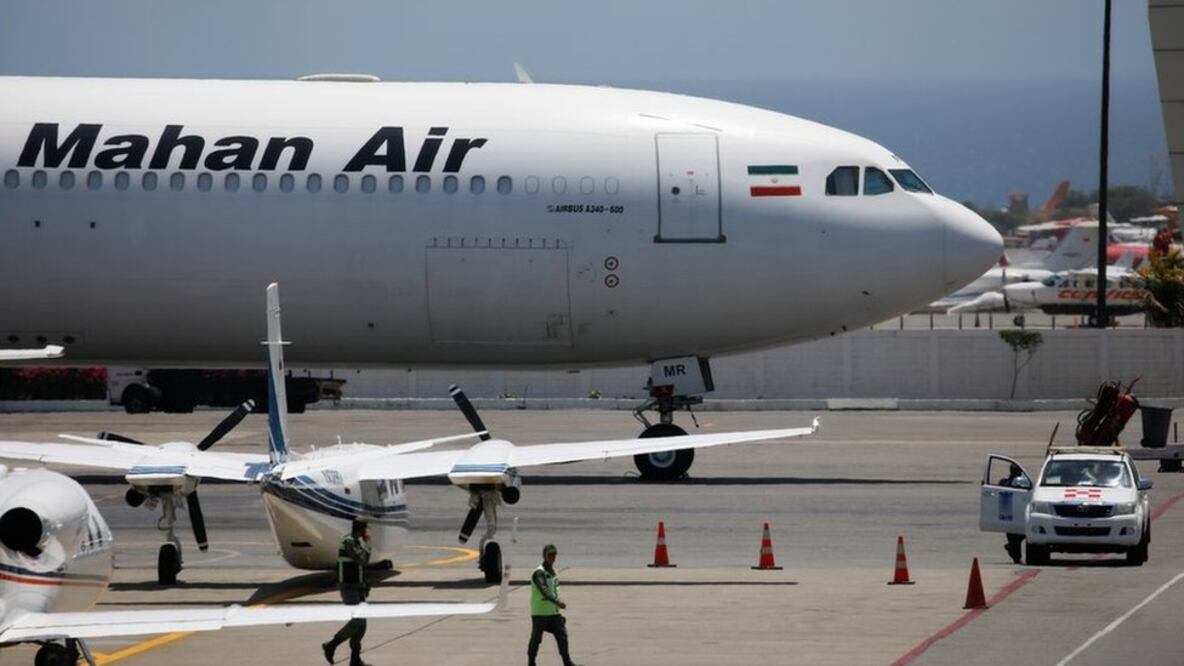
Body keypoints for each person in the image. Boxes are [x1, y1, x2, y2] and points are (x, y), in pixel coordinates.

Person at [323, 519, 372, 666]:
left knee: (362, 624)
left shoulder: (355, 542)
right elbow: (363, 560)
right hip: (348, 587)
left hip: (357, 587)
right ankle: (331, 644)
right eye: (365, 530)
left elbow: (358, 567)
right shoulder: (349, 542)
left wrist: (365, 584)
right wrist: (368, 544)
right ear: (361, 530)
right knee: (358, 620)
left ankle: (355, 659)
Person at [528, 544, 581, 666]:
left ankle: (567, 662)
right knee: (536, 639)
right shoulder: (539, 573)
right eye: (549, 555)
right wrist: (558, 602)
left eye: (554, 555)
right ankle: (531, 662)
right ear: (544, 556)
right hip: (540, 613)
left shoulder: (553, 572)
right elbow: (544, 590)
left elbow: (553, 590)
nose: (552, 557)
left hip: (553, 613)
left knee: (562, 635)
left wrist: (557, 606)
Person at [998, 464, 1029, 564]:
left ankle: (1014, 552)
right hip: (1015, 514)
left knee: (1014, 538)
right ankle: (1015, 554)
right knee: (1017, 537)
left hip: (1009, 515)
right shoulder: (1016, 482)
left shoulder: (1005, 482)